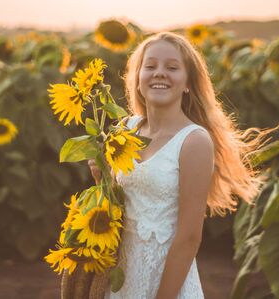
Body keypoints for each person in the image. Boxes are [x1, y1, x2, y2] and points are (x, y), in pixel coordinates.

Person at [88, 32, 269, 299]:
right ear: (137, 79)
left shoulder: (194, 141)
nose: (159, 73)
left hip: (166, 280)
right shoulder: (124, 130)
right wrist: (100, 178)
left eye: (172, 67)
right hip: (121, 278)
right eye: (150, 66)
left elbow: (189, 237)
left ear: (187, 83)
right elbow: (119, 206)